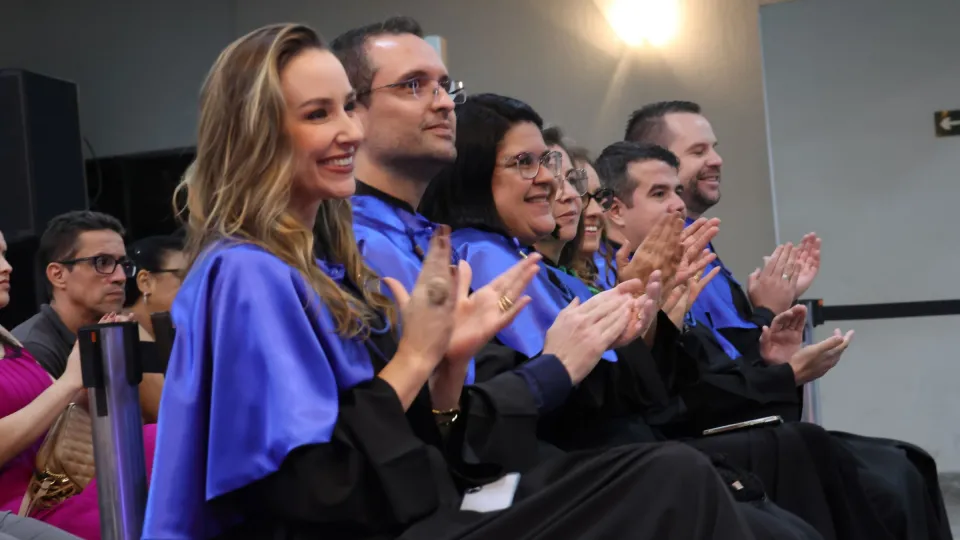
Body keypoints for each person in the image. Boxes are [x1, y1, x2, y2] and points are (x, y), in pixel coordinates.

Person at [143, 23, 758, 540]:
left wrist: (446, 369)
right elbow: (314, 491)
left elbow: (399, 443)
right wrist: (419, 358)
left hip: (410, 502)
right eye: (317, 114)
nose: (349, 131)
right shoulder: (248, 271)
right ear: (258, 134)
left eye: (347, 108)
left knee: (697, 473)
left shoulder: (316, 263)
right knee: (672, 478)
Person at [625, 100, 952, 540]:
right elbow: (689, 377)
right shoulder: (643, 268)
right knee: (884, 486)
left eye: (714, 148)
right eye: (698, 151)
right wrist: (768, 325)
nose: (717, 160)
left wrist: (772, 313)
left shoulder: (704, 251)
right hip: (699, 434)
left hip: (742, 413)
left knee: (909, 463)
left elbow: (732, 351)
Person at [0, 229, 158, 540]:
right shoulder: (34, 339)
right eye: (102, 262)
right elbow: (59, 394)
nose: (7, 267)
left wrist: (94, 371)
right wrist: (69, 382)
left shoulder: (9, 341)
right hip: (26, 508)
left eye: (4, 254)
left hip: (63, 485)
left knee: (163, 439)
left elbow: (61, 421)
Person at [12, 211, 131, 378]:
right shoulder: (31, 350)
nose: (121, 277)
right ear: (58, 275)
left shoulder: (110, 334)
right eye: (102, 262)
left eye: (123, 264)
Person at [122, 234, 185, 423]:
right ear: (145, 282)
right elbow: (174, 417)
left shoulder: (171, 331)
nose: (196, 288)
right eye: (184, 277)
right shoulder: (124, 330)